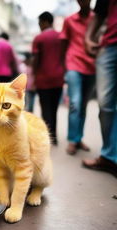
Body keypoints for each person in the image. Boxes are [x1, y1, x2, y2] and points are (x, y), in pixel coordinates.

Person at [83, 0, 117, 174]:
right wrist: (88, 38)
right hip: (110, 46)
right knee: (105, 105)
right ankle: (109, 156)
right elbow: (99, 13)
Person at [60, 0, 95, 154]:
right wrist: (64, 67)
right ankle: (72, 140)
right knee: (75, 103)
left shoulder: (97, 19)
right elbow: (63, 45)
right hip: (73, 64)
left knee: (83, 106)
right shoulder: (69, 20)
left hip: (92, 66)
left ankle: (78, 138)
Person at [32, 12, 64, 145]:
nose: (39, 26)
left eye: (40, 23)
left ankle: (48, 136)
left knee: (46, 109)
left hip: (43, 79)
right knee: (54, 108)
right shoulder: (61, 37)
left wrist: (34, 76)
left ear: (45, 22)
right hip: (58, 78)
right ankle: (54, 136)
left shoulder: (39, 38)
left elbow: (36, 60)